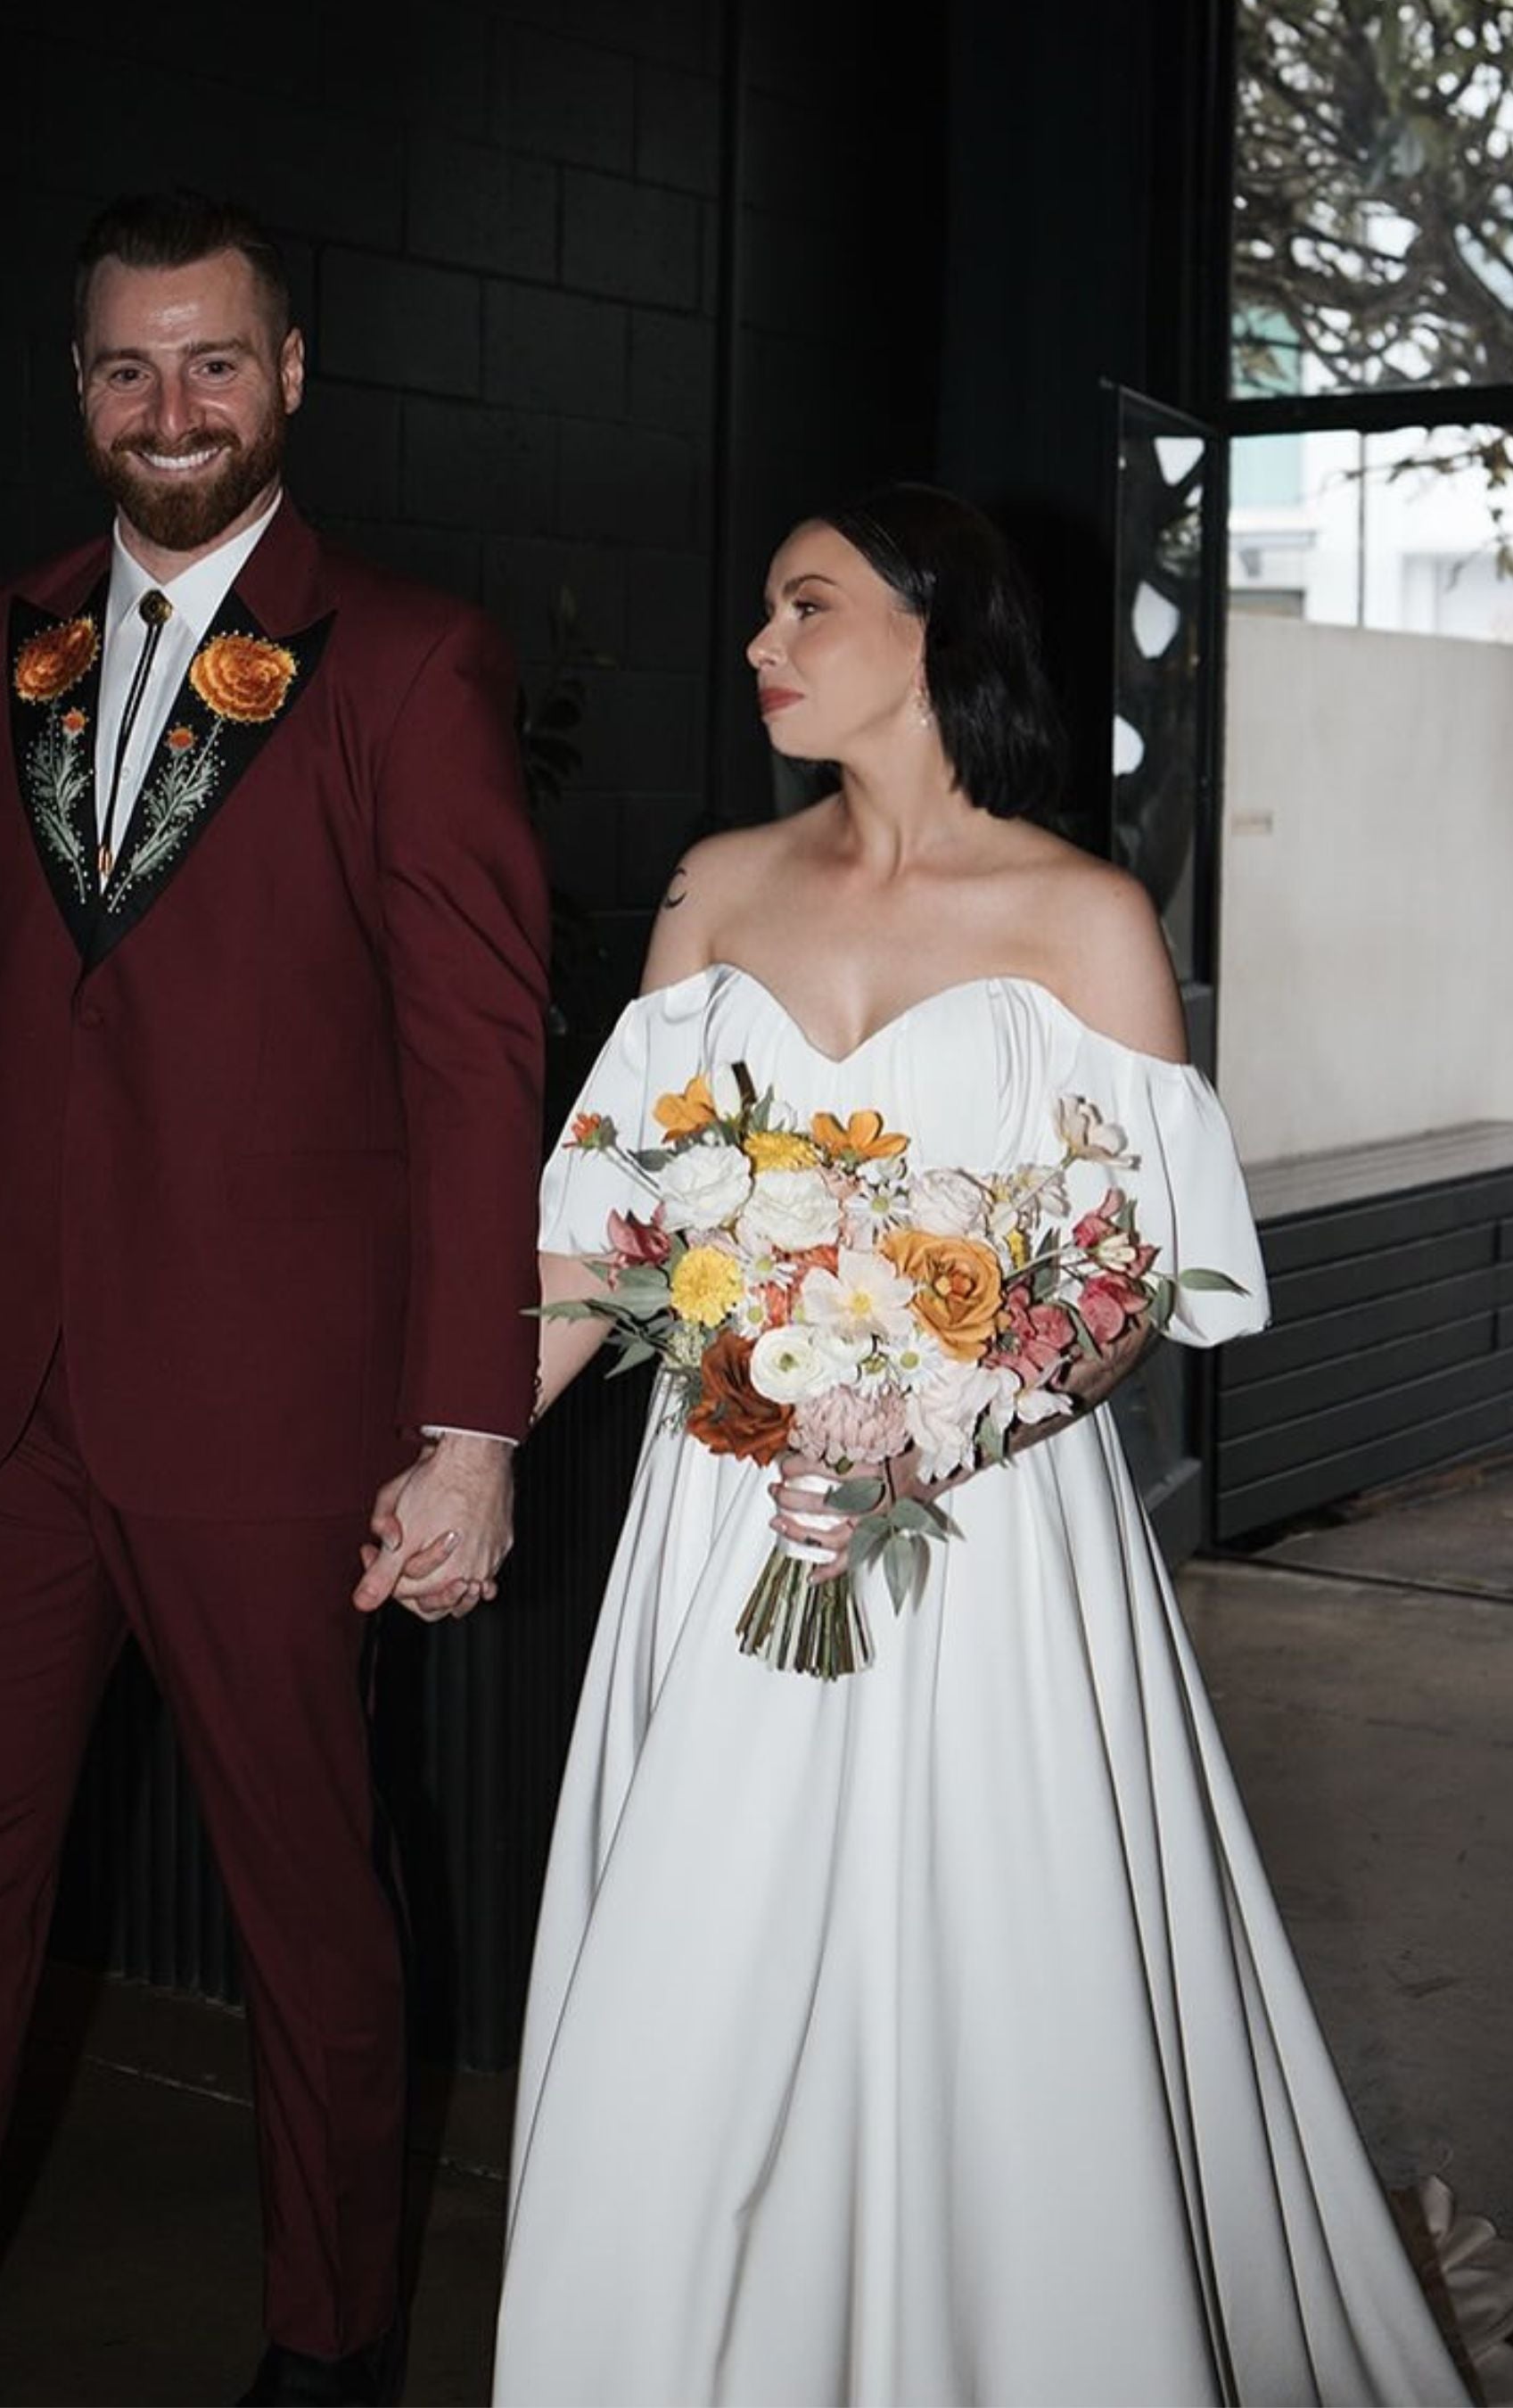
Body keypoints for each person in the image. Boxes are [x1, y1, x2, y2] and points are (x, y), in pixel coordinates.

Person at [494, 486, 1466, 2405]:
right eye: (765, 612)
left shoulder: (1077, 917)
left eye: (807, 606)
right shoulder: (712, 888)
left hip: (980, 1539)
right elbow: (595, 1233)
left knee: (992, 1972)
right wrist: (461, 1449)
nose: (761, 646)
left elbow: (1125, 1282)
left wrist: (928, 1423)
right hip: (728, 1506)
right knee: (686, 1978)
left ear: (933, 635)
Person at [0, 191, 547, 2407]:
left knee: (310, 1908)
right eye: (129, 366)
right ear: (80, 390)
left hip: (273, 1421)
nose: (172, 406)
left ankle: (328, 2346)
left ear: (290, 376)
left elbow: (472, 1062)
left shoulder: (407, 655)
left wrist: (467, 1426)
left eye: (214, 361)